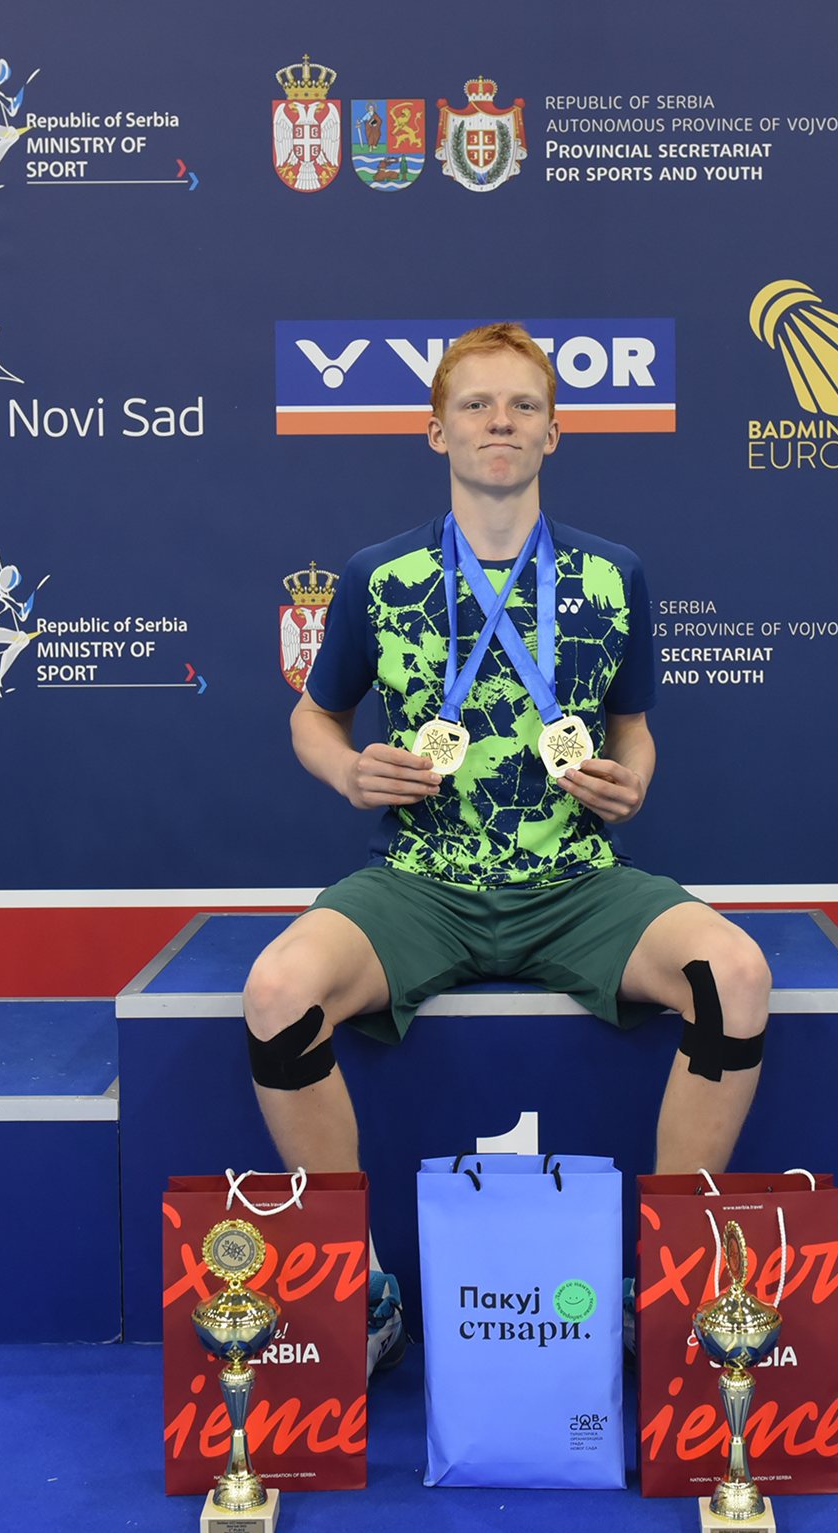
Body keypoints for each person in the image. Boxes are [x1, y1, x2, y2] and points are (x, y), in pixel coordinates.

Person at [242, 323, 772, 1374]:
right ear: (436, 429)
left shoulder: (612, 575)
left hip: (576, 883)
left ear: (553, 432)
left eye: (523, 405)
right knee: (276, 991)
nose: (500, 421)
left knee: (737, 975)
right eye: (476, 404)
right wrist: (347, 771)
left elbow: (632, 728)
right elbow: (313, 715)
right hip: (420, 883)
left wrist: (633, 781)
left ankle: (664, 1286)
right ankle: (361, 1286)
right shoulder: (380, 574)